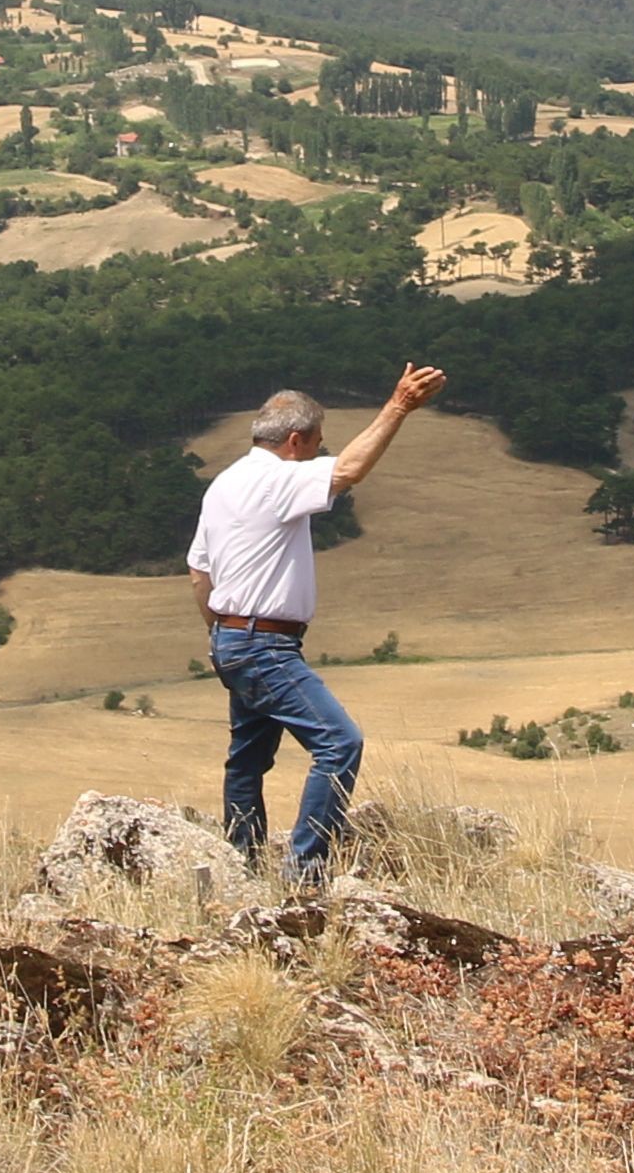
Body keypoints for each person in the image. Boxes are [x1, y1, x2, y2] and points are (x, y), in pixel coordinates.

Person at [186, 364, 446, 876]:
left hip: (232, 639)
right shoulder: (276, 479)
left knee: (247, 759)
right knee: (339, 742)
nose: (319, 453)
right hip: (266, 645)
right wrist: (398, 406)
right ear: (296, 440)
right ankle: (304, 873)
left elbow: (199, 573)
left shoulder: (222, 485)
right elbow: (348, 471)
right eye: (317, 444)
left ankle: (243, 863)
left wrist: (220, 636)